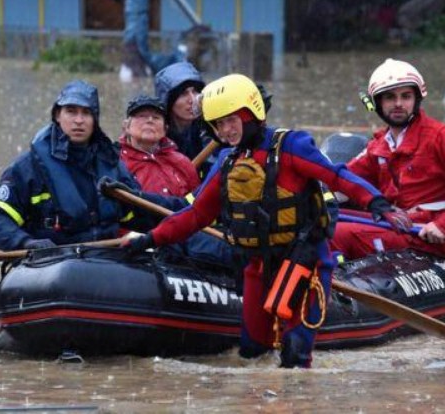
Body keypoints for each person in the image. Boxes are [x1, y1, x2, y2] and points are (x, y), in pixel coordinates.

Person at [119, 74, 410, 368]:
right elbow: (195, 216)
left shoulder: (292, 145)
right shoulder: (227, 162)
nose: (226, 130)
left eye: (231, 120)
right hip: (257, 265)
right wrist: (150, 239)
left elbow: (336, 176)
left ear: (251, 113)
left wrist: (377, 203)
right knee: (252, 354)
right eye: (218, 124)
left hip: (302, 262)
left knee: (295, 355)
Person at [0, 80, 181, 251]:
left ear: (95, 119)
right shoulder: (29, 167)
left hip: (107, 264)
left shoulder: (112, 165)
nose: (79, 120)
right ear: (58, 116)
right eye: (71, 112)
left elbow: (144, 214)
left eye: (86, 113)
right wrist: (26, 243)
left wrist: (186, 214)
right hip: (51, 262)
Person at [331, 59, 445, 259]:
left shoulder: (440, 136)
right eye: (390, 97)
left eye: (406, 96)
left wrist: (444, 225)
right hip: (395, 228)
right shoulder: (379, 146)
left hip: (427, 238)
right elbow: (344, 180)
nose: (398, 104)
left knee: (335, 234)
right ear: (377, 103)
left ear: (416, 99)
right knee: (326, 224)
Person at [119, 94, 201, 197]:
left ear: (165, 129)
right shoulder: (115, 163)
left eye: (156, 117)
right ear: (126, 126)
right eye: (142, 116)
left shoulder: (182, 162)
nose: (149, 120)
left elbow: (197, 203)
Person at [153, 61, 210, 161]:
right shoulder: (155, 138)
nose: (192, 99)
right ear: (169, 101)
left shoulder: (211, 131)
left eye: (195, 91)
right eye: (184, 94)